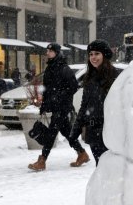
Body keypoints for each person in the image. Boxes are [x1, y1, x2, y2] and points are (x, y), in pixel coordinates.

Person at [28, 42, 89, 171]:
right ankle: (82, 153)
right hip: (54, 106)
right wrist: (44, 106)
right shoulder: (50, 67)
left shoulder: (64, 68)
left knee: (51, 133)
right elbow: (47, 89)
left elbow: (73, 86)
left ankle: (42, 160)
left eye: (50, 51)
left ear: (56, 52)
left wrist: (60, 96)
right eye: (47, 51)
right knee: (66, 131)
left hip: (62, 107)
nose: (47, 53)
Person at [69, 39, 120, 165]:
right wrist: (76, 129)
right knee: (100, 169)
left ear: (104, 55)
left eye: (97, 53)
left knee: (109, 169)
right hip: (93, 133)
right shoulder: (89, 77)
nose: (93, 57)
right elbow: (84, 105)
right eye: (91, 54)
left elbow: (120, 106)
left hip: (109, 132)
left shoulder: (114, 76)